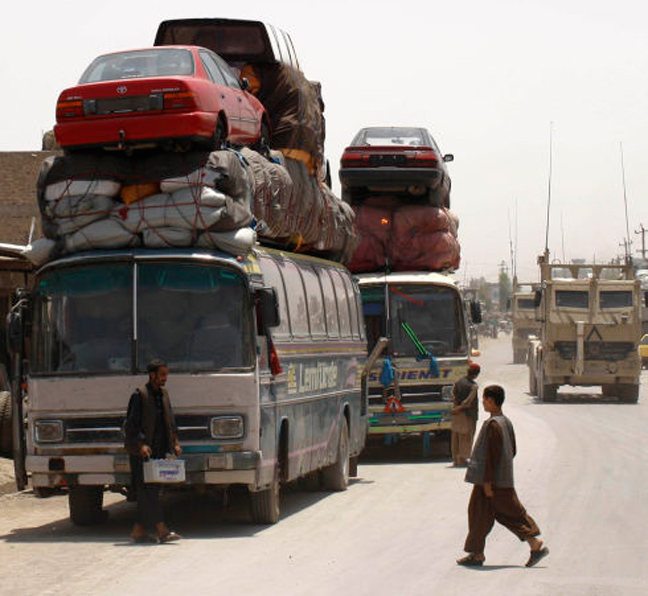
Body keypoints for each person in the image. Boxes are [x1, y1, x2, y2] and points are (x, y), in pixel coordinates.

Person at [457, 384, 549, 567]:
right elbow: (512, 450)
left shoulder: (493, 425)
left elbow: (491, 457)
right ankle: (477, 553)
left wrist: (489, 482)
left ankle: (534, 544)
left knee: (511, 513)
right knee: (481, 514)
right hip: (500, 479)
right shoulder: (505, 422)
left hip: (492, 483)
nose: (483, 402)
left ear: (491, 401)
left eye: (484, 399)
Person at [124, 359, 182, 544]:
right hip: (141, 454)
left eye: (166, 374)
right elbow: (131, 425)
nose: (165, 378)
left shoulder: (163, 394)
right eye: (162, 374)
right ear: (153, 375)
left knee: (151, 492)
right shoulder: (139, 395)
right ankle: (162, 530)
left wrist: (175, 442)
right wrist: (140, 444)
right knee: (147, 492)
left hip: (157, 452)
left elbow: (170, 421)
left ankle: (138, 530)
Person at [450, 363, 480, 466]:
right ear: (476, 375)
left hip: (456, 415)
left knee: (456, 437)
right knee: (466, 437)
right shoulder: (474, 386)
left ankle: (456, 460)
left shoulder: (458, 382)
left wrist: (455, 409)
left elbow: (453, 396)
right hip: (468, 415)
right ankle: (462, 459)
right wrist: (459, 408)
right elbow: (467, 402)